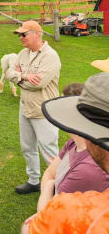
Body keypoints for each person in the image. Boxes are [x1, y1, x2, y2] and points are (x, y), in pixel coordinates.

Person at [22, 72, 109, 234]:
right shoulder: (73, 144)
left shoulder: (88, 172)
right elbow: (49, 172)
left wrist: (48, 188)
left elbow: (31, 229)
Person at [7, 20, 61, 194]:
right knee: (27, 147)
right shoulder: (23, 53)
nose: (21, 38)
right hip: (25, 108)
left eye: (24, 34)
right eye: (19, 35)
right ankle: (33, 181)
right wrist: (25, 76)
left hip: (44, 111)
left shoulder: (50, 56)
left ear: (37, 34)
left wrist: (19, 78)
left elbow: (39, 83)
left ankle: (59, 185)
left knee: (49, 151)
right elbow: (9, 73)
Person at [36, 83, 109, 212]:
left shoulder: (89, 169)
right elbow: (49, 173)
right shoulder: (75, 142)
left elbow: (46, 216)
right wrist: (50, 186)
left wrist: (49, 187)